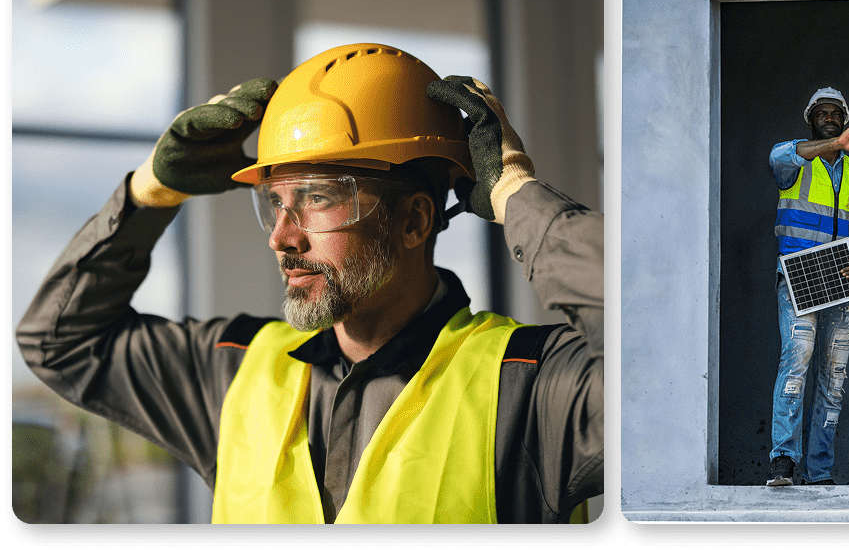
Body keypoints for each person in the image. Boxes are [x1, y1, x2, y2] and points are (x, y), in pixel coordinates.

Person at [18, 44, 602, 523]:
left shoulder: (534, 388)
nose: (281, 236)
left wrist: (519, 198)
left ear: (413, 221)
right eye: (275, 202)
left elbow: (675, 363)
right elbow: (59, 341)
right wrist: (149, 193)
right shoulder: (231, 373)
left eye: (318, 198)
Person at [766, 87, 849, 488]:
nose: (830, 116)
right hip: (798, 277)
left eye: (837, 113)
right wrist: (834, 144)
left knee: (834, 377)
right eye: (822, 112)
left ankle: (818, 470)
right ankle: (783, 461)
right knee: (796, 364)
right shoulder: (794, 162)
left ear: (844, 119)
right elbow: (779, 154)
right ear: (810, 119)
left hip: (839, 281)